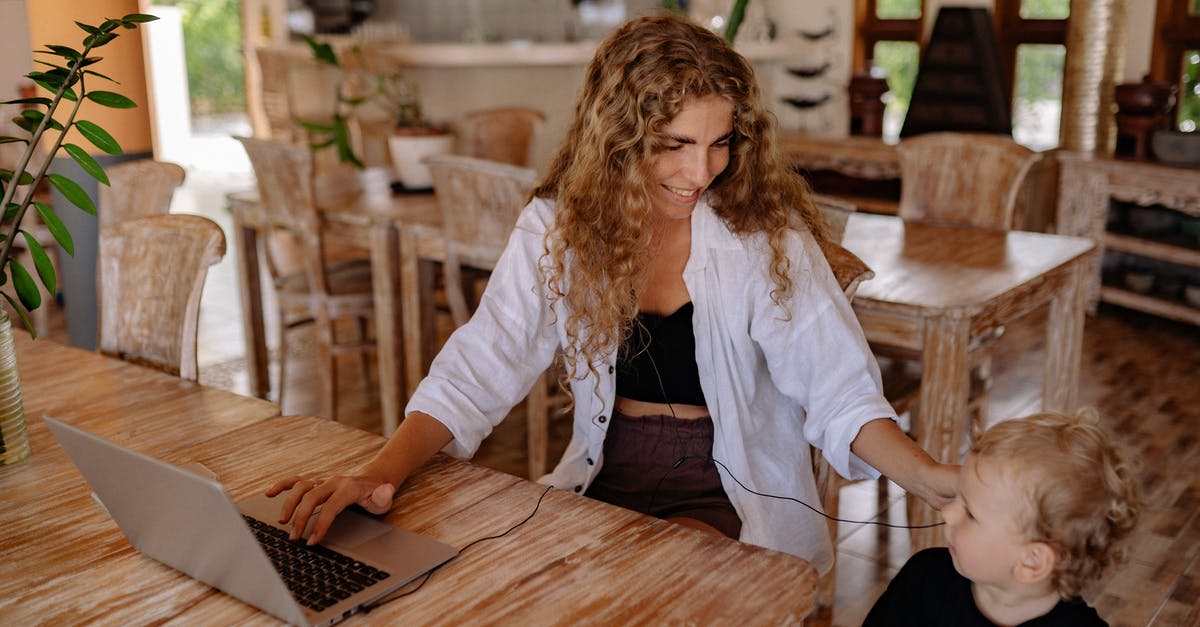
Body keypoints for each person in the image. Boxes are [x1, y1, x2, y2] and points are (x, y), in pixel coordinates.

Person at [268, 11, 956, 575]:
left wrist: (927, 476)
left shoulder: (763, 238)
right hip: (604, 474)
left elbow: (841, 392)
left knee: (646, 589)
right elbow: (483, 362)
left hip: (727, 487)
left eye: (720, 143)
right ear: (619, 139)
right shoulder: (561, 227)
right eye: (674, 144)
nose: (700, 171)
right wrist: (378, 473)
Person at [864, 410, 1141, 626]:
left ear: (1032, 561)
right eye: (957, 497)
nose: (947, 513)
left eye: (970, 514)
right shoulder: (924, 581)